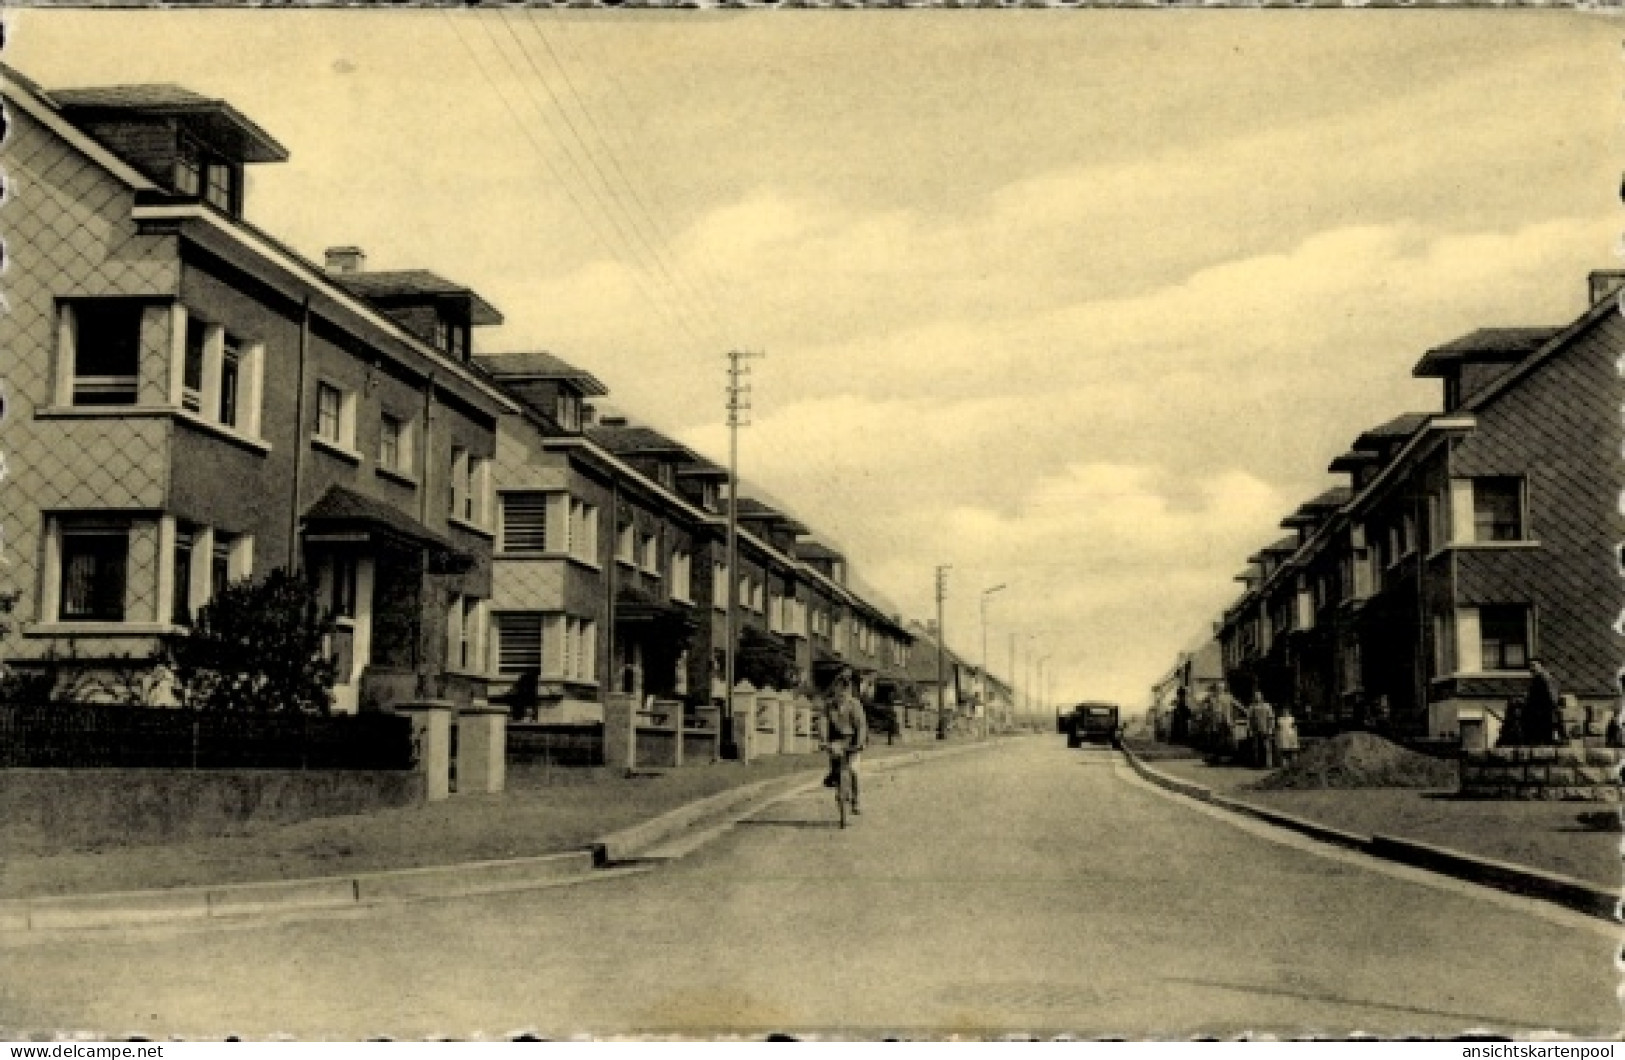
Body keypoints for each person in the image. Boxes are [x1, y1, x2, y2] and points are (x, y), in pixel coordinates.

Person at [820, 670, 869, 814]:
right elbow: (823, 722)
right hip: (836, 740)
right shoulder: (829, 706)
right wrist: (823, 740)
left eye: (845, 688)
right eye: (839, 688)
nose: (841, 692)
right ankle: (835, 776)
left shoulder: (855, 705)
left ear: (849, 690)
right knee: (835, 759)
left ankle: (856, 801)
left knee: (853, 770)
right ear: (834, 689)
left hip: (852, 740)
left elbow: (861, 725)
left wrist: (859, 743)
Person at [1523, 659, 1564, 747]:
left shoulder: (1544, 678)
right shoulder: (1539, 679)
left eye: (1534, 665)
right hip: (1540, 713)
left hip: (1544, 713)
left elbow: (1552, 696)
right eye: (1530, 666)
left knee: (1545, 738)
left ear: (1541, 666)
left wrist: (1550, 709)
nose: (1531, 668)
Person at [1247, 689, 1276, 769]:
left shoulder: (1267, 706)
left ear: (1261, 697)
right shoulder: (1252, 707)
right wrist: (1250, 729)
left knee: (1267, 747)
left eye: (1258, 696)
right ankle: (1257, 764)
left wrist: (1271, 728)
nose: (1257, 698)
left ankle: (1268, 764)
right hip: (1256, 730)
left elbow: (1271, 718)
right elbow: (1249, 719)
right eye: (1256, 696)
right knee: (1256, 747)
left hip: (1265, 729)